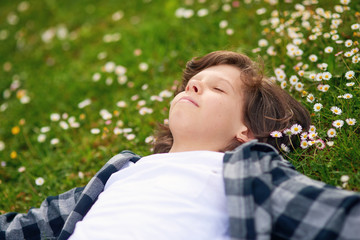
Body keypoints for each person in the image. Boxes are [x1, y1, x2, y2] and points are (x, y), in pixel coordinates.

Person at [1, 51, 359, 240]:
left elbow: (330, 215)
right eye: (192, 84)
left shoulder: (248, 169)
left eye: (218, 88)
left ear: (247, 130)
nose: (193, 87)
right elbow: (26, 227)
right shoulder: (123, 172)